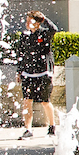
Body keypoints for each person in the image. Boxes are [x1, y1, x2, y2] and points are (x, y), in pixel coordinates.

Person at [14, 11, 58, 139]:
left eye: (30, 21)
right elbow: (21, 54)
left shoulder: (44, 34)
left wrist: (44, 19)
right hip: (28, 73)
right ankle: (28, 129)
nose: (27, 23)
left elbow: (54, 29)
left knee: (45, 101)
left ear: (37, 22)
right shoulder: (25, 35)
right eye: (26, 20)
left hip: (43, 72)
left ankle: (52, 126)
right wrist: (19, 71)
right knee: (27, 101)